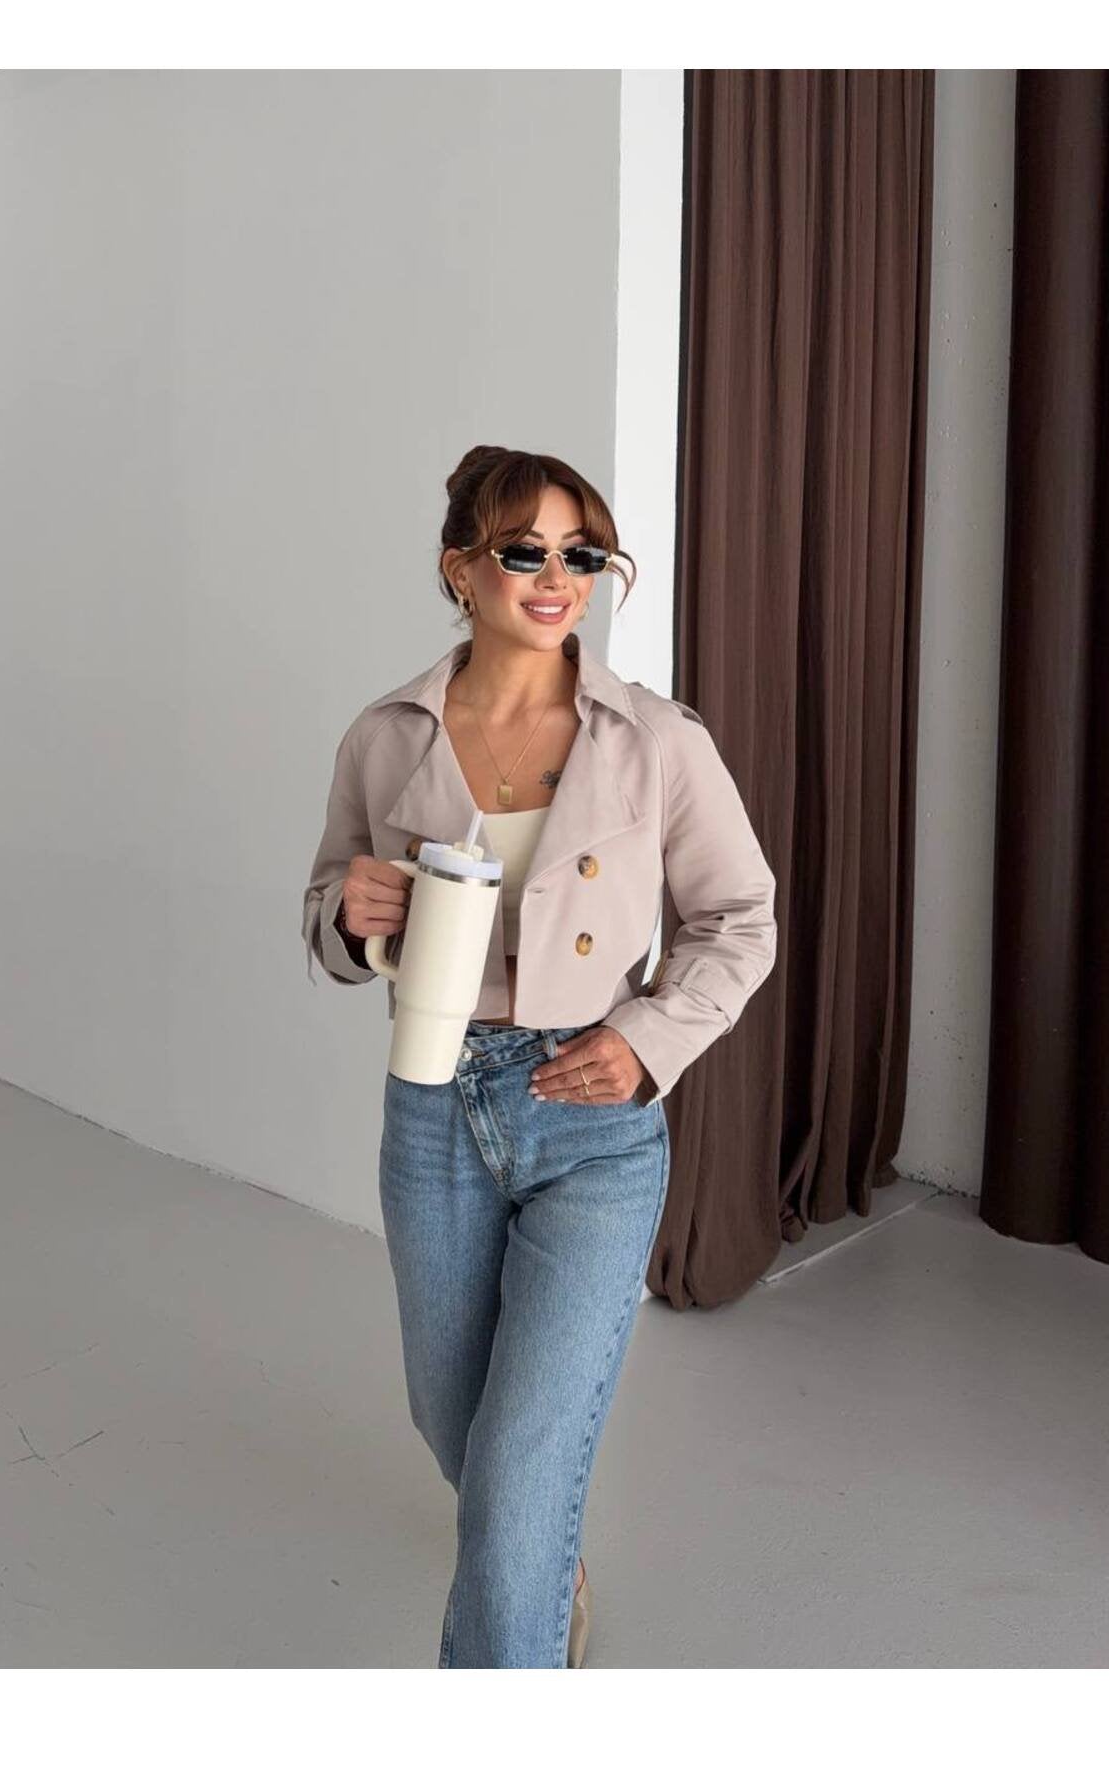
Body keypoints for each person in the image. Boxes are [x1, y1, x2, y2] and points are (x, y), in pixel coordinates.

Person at [302, 445, 777, 1667]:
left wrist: (646, 1040)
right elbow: (329, 906)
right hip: (433, 1104)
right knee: (449, 1416)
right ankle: (544, 1570)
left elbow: (740, 918)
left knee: (516, 1471)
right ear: (462, 569)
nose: (559, 578)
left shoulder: (656, 740)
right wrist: (349, 914)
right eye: (526, 551)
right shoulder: (386, 735)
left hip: (594, 1119)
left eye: (583, 553)